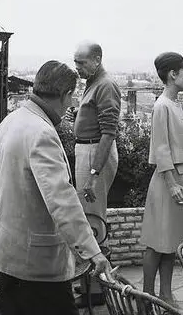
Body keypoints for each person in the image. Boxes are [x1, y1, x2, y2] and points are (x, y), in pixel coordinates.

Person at [0, 61, 115, 315]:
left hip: (7, 253)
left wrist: (1, 205)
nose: (70, 104)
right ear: (65, 95)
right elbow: (62, 201)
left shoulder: (11, 120)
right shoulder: (42, 132)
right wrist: (93, 252)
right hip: (38, 267)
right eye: (71, 97)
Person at [140, 52, 183, 308]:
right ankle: (147, 296)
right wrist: (172, 183)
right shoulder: (162, 105)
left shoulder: (174, 104)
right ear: (173, 75)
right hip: (168, 179)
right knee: (157, 241)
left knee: (171, 242)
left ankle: (165, 295)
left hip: (181, 175)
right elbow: (161, 148)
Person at [72, 41, 121, 304]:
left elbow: (108, 133)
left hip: (94, 154)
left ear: (97, 59)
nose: (77, 67)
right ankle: (90, 284)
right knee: (87, 217)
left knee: (92, 220)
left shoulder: (105, 85)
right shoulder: (94, 83)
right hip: (88, 151)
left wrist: (93, 173)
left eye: (81, 62)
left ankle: (96, 290)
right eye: (75, 61)